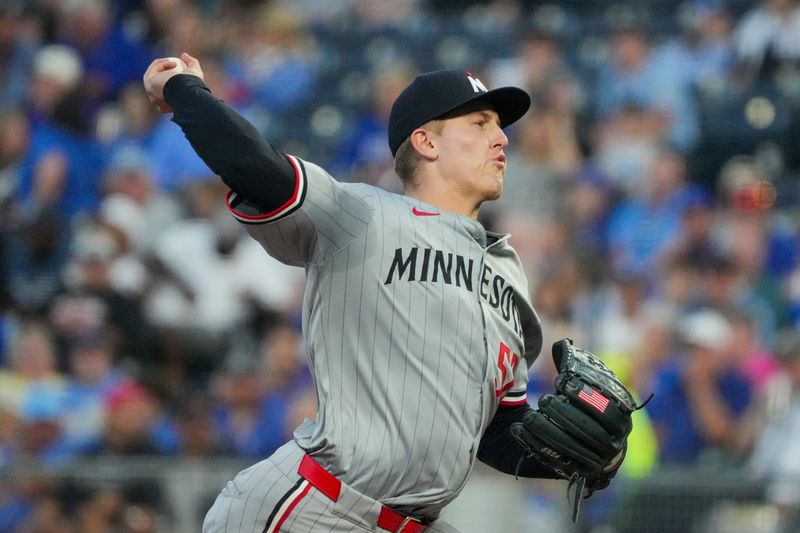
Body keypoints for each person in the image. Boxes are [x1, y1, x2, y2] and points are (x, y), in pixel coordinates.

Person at [143, 53, 628, 533]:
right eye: (480, 123)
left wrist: (578, 454)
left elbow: (498, 431)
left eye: (498, 126)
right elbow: (258, 169)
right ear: (426, 142)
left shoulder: (508, 274)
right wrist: (186, 91)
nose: (501, 138)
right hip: (318, 507)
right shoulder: (361, 215)